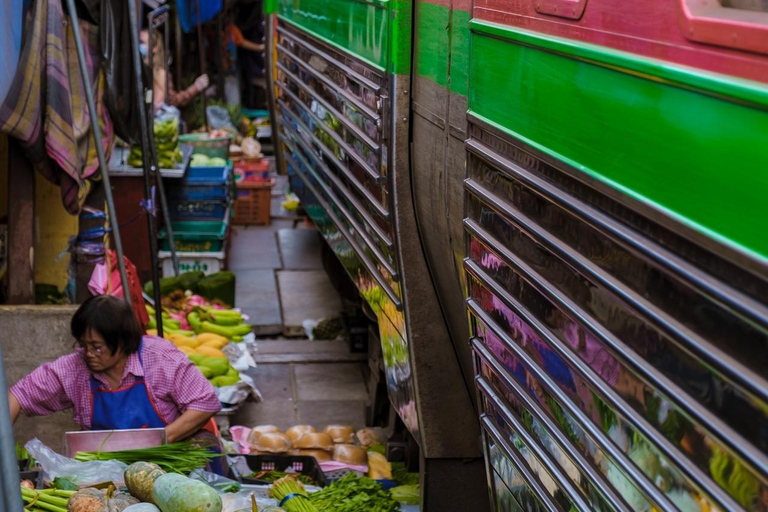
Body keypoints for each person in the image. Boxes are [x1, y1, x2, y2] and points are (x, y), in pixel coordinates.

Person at [8, 295, 225, 471]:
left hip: (172, 462)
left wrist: (157, 442)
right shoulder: (74, 368)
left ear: (122, 342)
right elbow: (18, 396)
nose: (89, 353)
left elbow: (204, 404)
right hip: (110, 469)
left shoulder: (159, 358)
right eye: (84, 344)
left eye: (97, 347)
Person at [139, 29, 209, 108]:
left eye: (142, 42)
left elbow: (171, 100)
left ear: (154, 48)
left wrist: (194, 88)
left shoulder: (159, 73)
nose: (138, 46)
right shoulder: (140, 68)